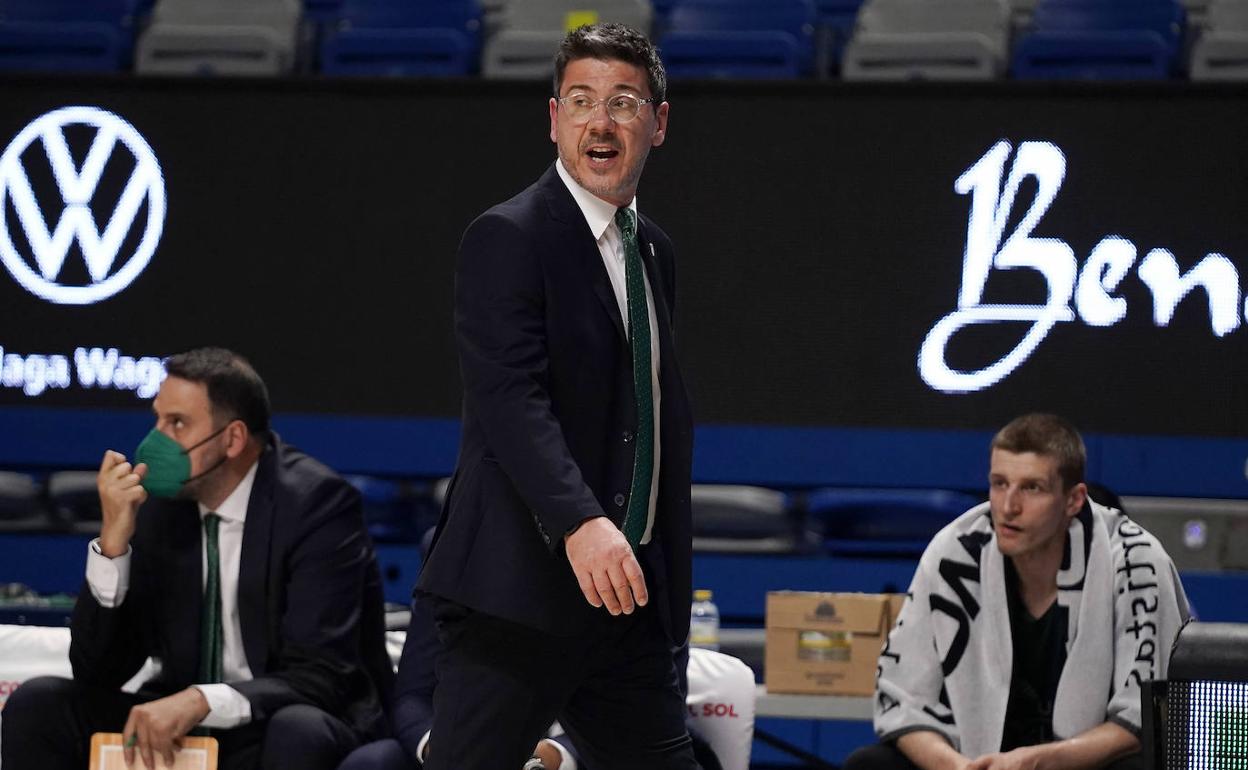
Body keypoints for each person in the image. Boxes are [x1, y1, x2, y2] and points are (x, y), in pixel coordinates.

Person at [414, 22, 699, 770]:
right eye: (581, 101)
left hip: (625, 601)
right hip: (519, 594)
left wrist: (665, 588)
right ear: (554, 120)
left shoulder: (653, 252)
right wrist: (580, 522)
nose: (601, 122)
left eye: (624, 103)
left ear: (658, 124)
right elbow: (511, 399)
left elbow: (651, 424)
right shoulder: (507, 236)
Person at [1, 348, 394, 770]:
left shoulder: (316, 506)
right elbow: (97, 672)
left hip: (281, 718)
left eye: (177, 424)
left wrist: (202, 700)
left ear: (233, 439)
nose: (155, 442)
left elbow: (321, 677)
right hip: (185, 718)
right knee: (40, 704)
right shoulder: (159, 505)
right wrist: (113, 546)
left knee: (298, 728)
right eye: (157, 419)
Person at [848, 413, 1190, 770]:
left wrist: (1047, 761)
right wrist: (956, 767)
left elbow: (1150, 714)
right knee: (870, 764)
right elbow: (902, 698)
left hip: (1083, 762)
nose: (1008, 506)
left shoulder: (1136, 561)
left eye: (1032, 488)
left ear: (1073, 500)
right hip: (978, 760)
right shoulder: (954, 552)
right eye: (999, 483)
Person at [335, 598, 735, 770]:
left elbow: (658, 702)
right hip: (472, 739)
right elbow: (413, 696)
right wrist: (438, 744)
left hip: (592, 751)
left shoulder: (633, 554)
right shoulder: (460, 554)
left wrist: (557, 755)